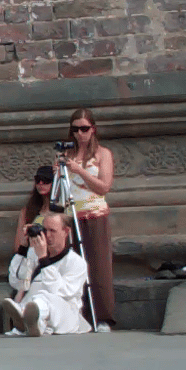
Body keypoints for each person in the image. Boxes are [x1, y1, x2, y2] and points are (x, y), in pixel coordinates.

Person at [63, 108, 115, 331]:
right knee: (73, 267)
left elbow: (103, 187)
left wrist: (80, 171)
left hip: (95, 213)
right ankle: (79, 315)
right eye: (75, 129)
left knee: (98, 265)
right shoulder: (67, 155)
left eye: (84, 129)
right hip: (72, 214)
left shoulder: (103, 154)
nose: (80, 134)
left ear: (93, 129)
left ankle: (103, 316)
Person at [2, 213, 92, 337]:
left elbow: (59, 291)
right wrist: (23, 248)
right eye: (44, 230)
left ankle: (26, 317)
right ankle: (31, 322)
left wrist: (44, 259)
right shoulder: (34, 253)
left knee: (44, 297)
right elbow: (16, 282)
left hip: (65, 316)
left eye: (52, 231)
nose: (47, 235)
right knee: (34, 299)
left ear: (66, 231)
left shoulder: (76, 262)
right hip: (33, 308)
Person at [14, 166, 55, 250]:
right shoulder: (27, 210)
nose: (40, 183)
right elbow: (17, 246)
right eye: (37, 179)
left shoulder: (63, 209)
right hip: (33, 254)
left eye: (46, 180)